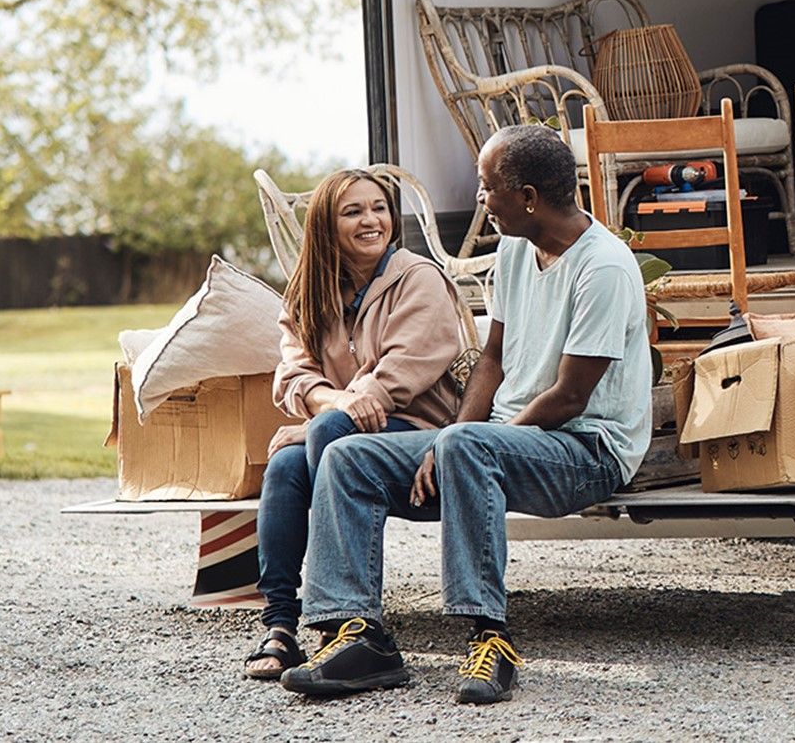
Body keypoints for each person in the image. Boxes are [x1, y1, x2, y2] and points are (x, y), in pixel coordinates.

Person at [278, 125, 652, 704]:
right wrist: (449, 436)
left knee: (466, 446)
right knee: (349, 455)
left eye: (486, 188)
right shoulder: (516, 250)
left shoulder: (602, 267)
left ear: (527, 197)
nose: (480, 200)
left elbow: (570, 396)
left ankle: (490, 639)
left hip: (587, 450)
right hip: (506, 440)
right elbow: (493, 359)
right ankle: (360, 634)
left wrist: (466, 441)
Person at [243, 168, 463, 679]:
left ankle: (349, 622)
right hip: (345, 431)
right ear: (326, 226)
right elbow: (293, 374)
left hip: (422, 439)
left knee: (317, 435)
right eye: (354, 211)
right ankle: (280, 625)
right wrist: (335, 404)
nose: (372, 220)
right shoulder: (310, 292)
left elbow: (403, 372)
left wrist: (328, 414)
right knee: (286, 464)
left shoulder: (418, 278)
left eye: (379, 208)